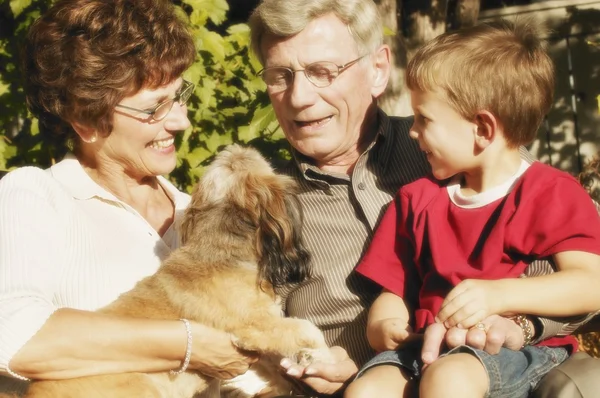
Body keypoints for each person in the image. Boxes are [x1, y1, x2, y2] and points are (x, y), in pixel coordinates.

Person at [248, 0, 600, 396]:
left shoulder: (470, 159)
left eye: (321, 72)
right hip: (397, 360)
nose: (299, 98)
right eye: (280, 75)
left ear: (378, 69)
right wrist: (335, 352)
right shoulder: (256, 200)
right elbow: (238, 331)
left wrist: (517, 322)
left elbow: (583, 281)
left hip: (497, 356)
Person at [0, 0, 256, 396]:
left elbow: (235, 366)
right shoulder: (36, 195)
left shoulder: (197, 213)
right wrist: (187, 344)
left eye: (179, 94)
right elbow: (15, 336)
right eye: (155, 109)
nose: (181, 121)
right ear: (85, 118)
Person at [346, 19, 600, 398]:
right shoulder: (416, 200)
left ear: (482, 128)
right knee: (366, 391)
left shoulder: (550, 192)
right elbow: (394, 288)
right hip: (422, 346)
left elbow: (591, 283)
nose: (412, 131)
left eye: (424, 118)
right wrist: (386, 323)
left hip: (509, 348)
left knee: (448, 381)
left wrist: (499, 295)